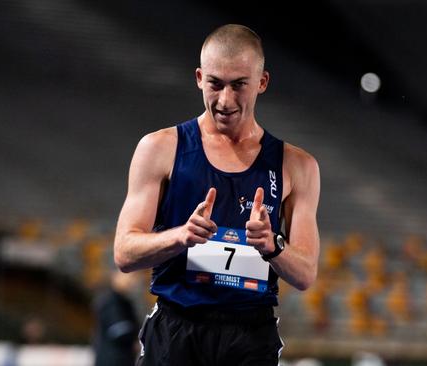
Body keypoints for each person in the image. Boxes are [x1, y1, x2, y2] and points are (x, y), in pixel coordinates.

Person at [113, 23, 321, 366]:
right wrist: (180, 236)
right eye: (215, 84)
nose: (225, 101)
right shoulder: (160, 149)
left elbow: (305, 274)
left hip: (250, 336)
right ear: (198, 78)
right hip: (177, 327)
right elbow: (124, 252)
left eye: (239, 85)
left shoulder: (297, 166)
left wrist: (272, 245)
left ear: (262, 82)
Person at [92, 271, 142, 366]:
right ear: (115, 276)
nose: (132, 281)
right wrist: (138, 340)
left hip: (122, 359)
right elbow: (119, 330)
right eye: (129, 276)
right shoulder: (111, 301)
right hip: (112, 359)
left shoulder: (124, 301)